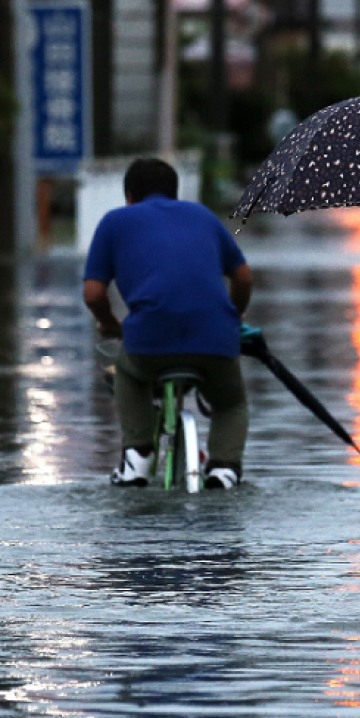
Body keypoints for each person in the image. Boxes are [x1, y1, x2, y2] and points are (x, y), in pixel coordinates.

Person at [83, 157, 253, 489]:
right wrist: (235, 314)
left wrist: (110, 324)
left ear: (129, 195)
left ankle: (138, 457)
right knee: (230, 402)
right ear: (175, 194)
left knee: (126, 375)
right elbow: (243, 277)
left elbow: (92, 294)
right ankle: (224, 468)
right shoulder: (203, 216)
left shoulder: (115, 222)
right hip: (215, 339)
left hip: (149, 340)